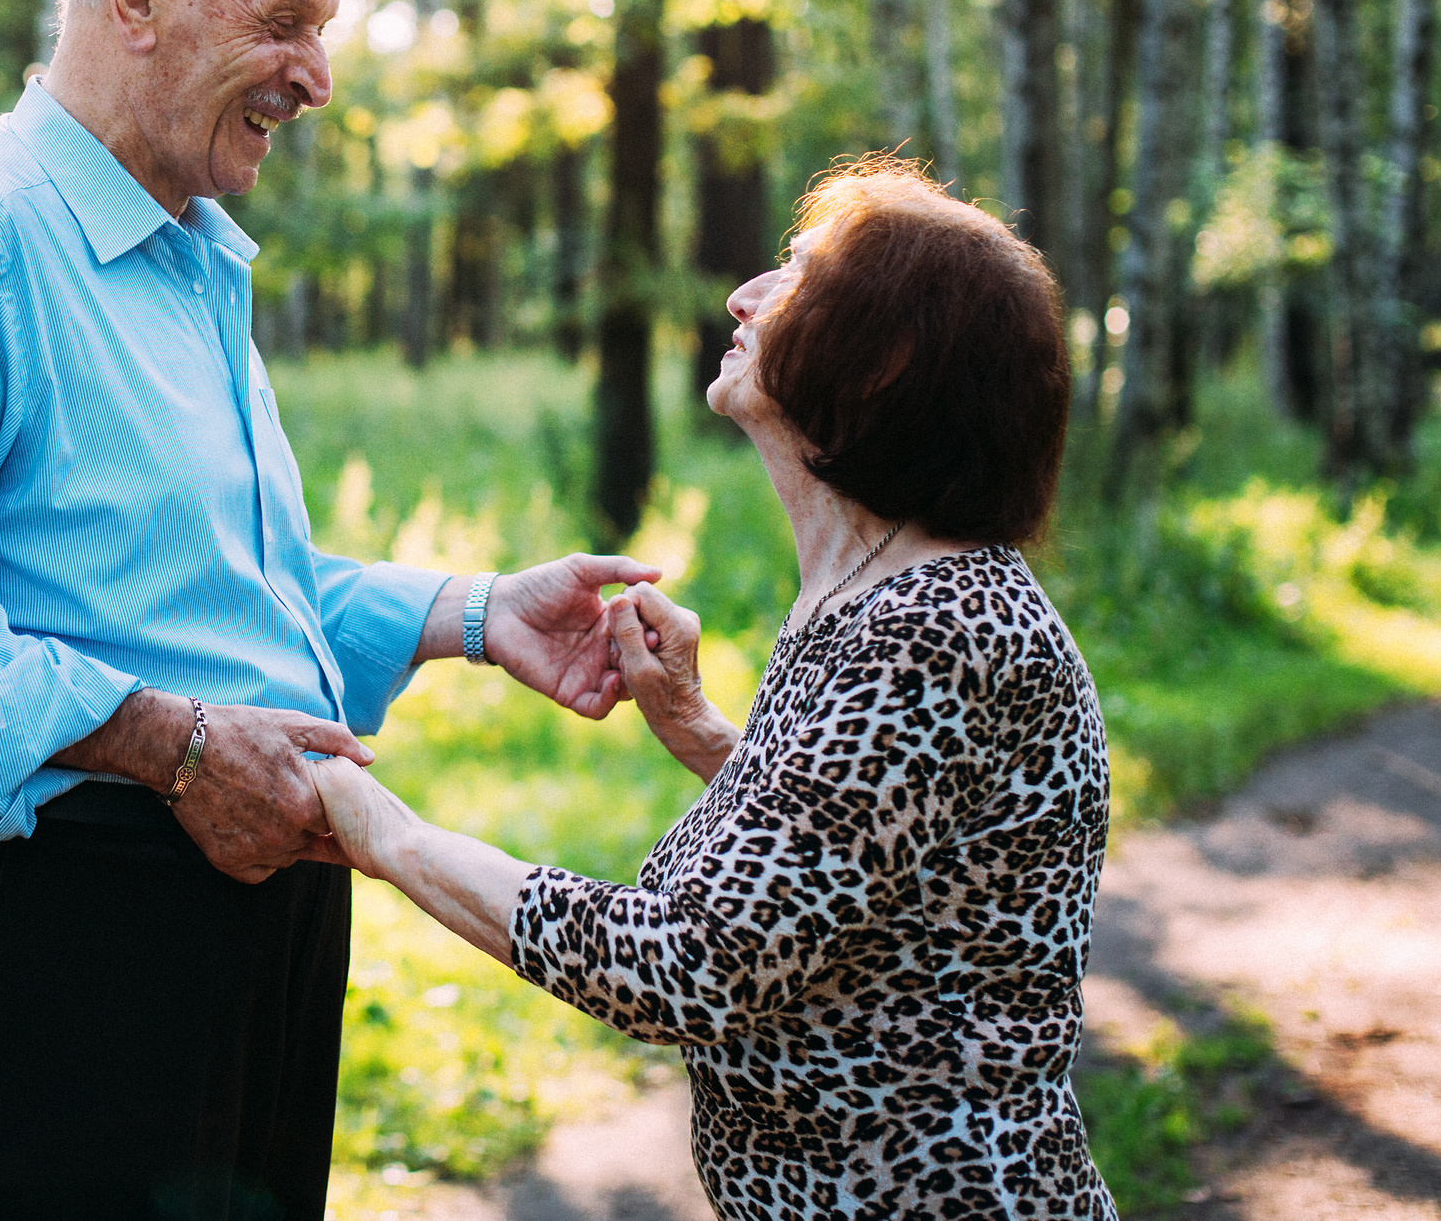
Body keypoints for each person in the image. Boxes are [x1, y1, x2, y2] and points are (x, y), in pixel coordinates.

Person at [0, 0, 655, 1221]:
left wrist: (472, 614)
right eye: (285, 21)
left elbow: (228, 585)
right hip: (48, 924)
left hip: (244, 904)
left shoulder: (189, 257)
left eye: (324, 29)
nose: (318, 77)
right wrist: (169, 746)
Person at [313, 158, 1118, 1220]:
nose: (743, 296)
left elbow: (696, 963)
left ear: (884, 361)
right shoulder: (877, 593)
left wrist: (386, 833)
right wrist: (695, 727)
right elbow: (846, 861)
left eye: (799, 277)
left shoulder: (936, 629)